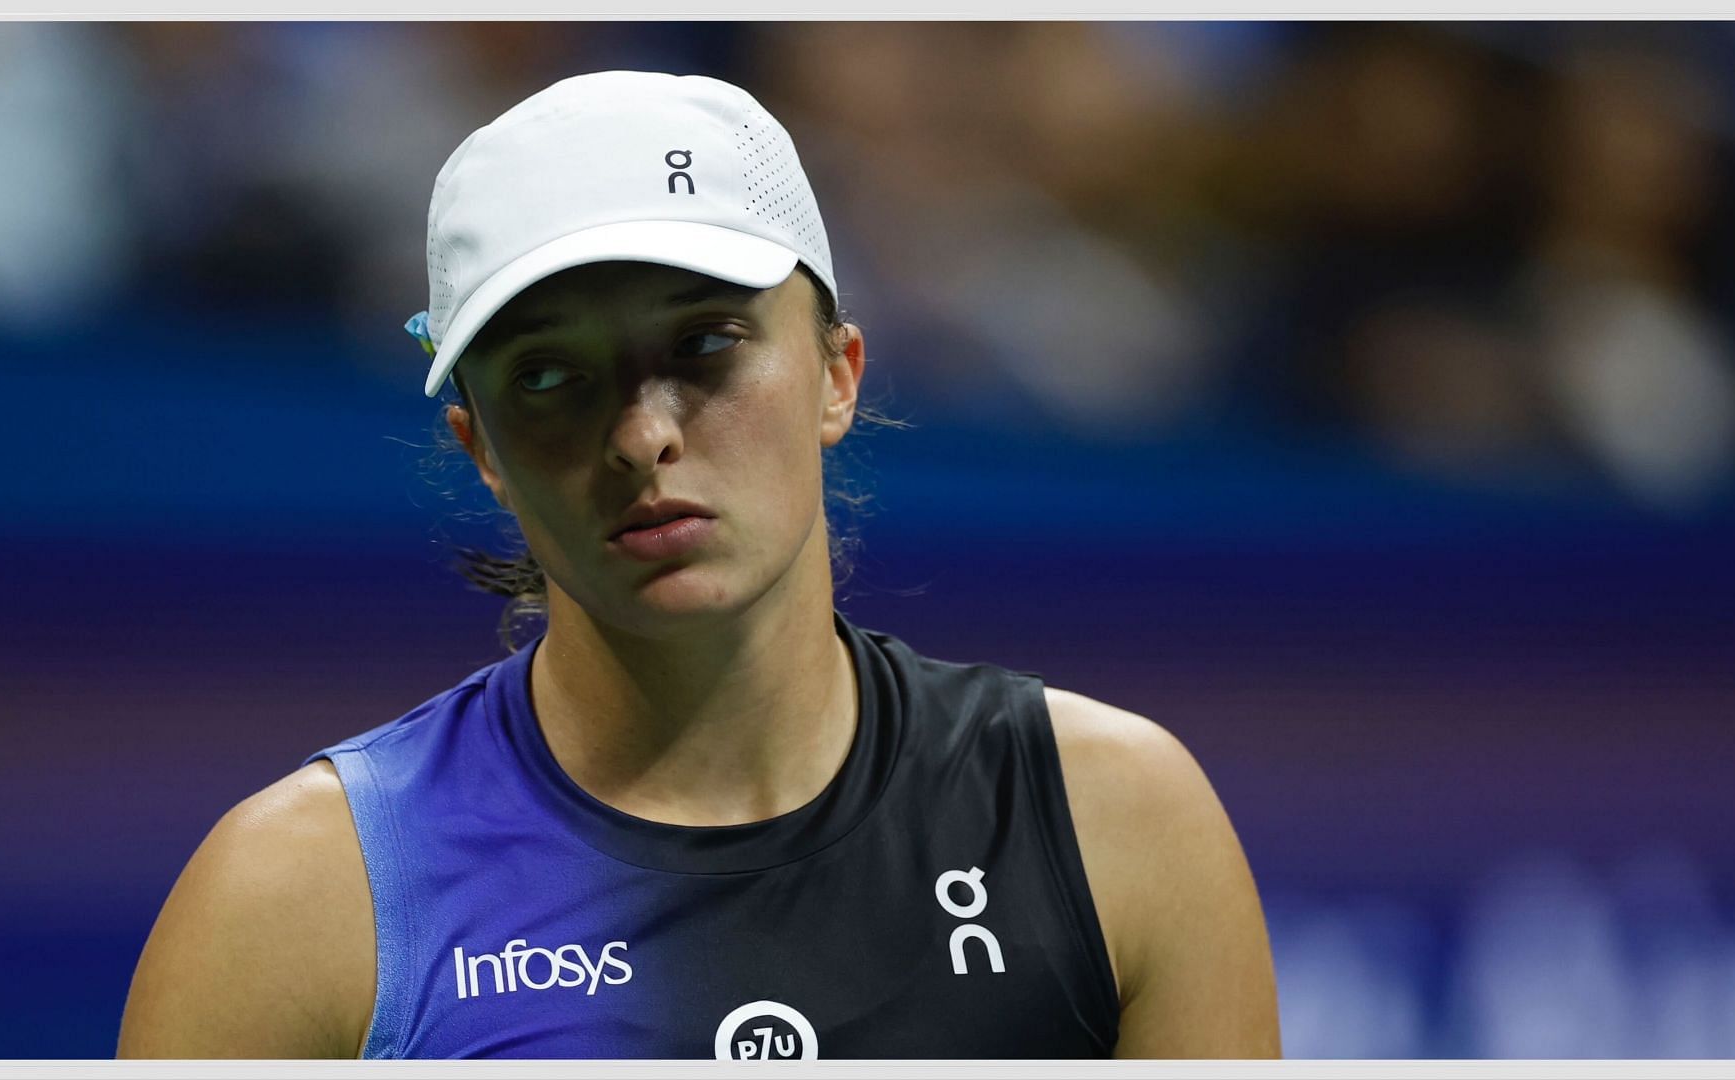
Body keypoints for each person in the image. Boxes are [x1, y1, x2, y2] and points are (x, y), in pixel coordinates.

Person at [116, 69, 1280, 1060]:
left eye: (705, 344)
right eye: (549, 377)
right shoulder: (296, 903)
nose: (640, 435)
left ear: (838, 372)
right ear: (482, 451)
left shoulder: (1113, 818)